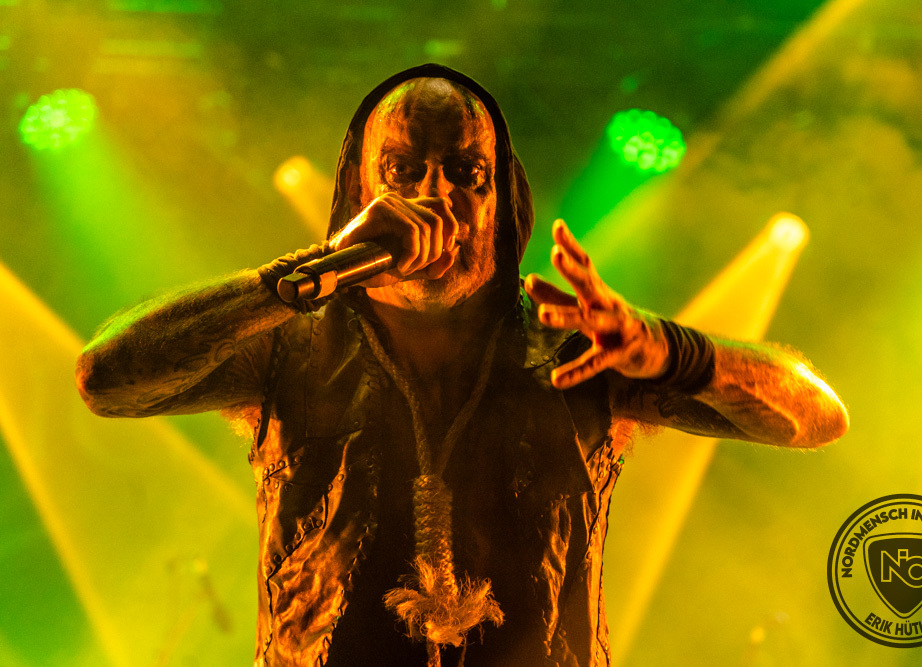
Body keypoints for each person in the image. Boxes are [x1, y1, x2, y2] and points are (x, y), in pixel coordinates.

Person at [75, 64, 848, 667]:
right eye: (401, 170)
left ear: (501, 199)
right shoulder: (290, 344)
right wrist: (301, 277)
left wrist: (672, 351)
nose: (434, 196)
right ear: (358, 192)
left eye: (465, 173)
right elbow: (105, 380)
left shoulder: (576, 347)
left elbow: (817, 417)